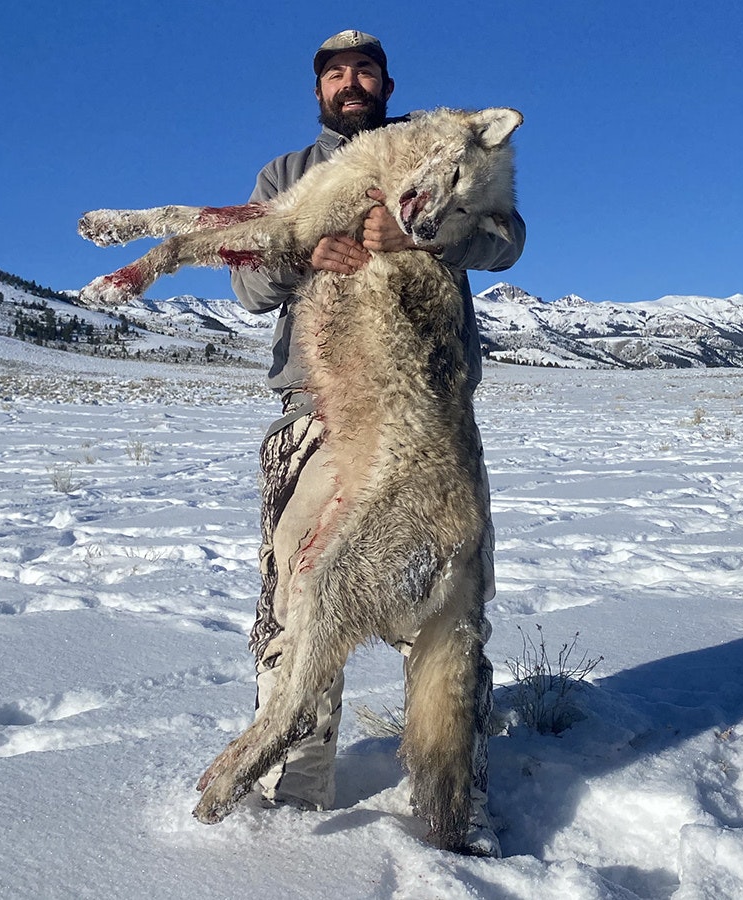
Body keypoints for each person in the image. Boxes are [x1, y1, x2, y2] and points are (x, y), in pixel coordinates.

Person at [230, 29, 526, 857]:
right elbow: (247, 280)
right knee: (302, 599)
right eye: (334, 73)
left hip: (434, 414)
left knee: (450, 611)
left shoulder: (441, 147)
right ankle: (292, 788)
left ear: (388, 82)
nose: (350, 82)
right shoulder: (285, 176)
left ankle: (454, 796)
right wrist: (298, 253)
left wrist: (433, 234)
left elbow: (507, 239)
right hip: (321, 418)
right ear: (318, 89)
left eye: (364, 70)